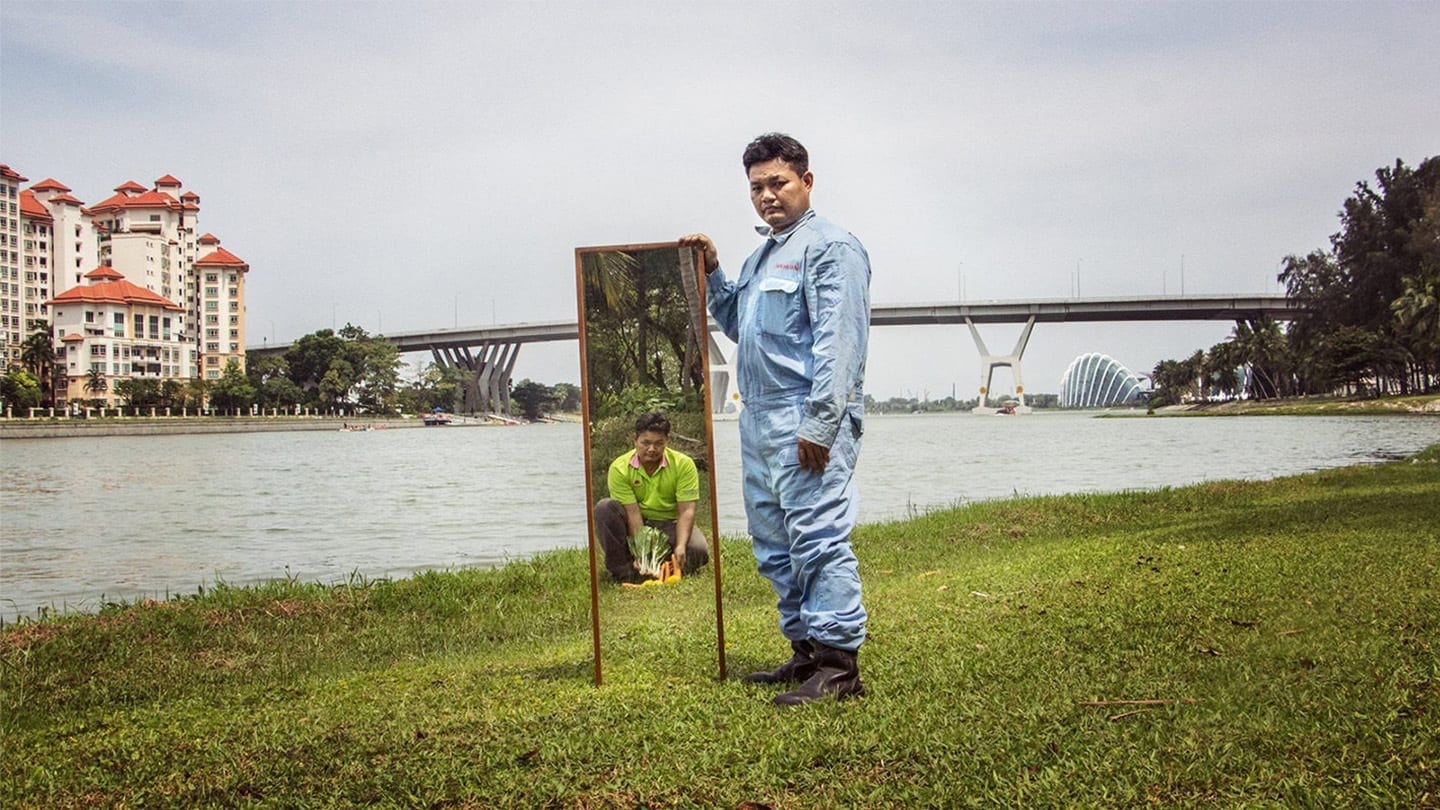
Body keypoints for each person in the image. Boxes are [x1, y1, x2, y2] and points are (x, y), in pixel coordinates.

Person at [680, 132, 870, 705]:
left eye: (778, 183)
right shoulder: (762, 254)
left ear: (806, 182)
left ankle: (839, 667)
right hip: (757, 419)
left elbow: (841, 343)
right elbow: (738, 323)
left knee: (816, 538)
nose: (767, 195)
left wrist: (820, 424)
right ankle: (806, 652)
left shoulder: (831, 248)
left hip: (804, 418)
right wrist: (711, 271)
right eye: (757, 186)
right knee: (774, 544)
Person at [593, 411, 710, 585]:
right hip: (638, 521)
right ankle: (624, 571)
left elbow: (686, 510)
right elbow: (632, 514)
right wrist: (642, 551)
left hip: (670, 523)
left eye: (658, 444)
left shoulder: (684, 464)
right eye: (645, 443)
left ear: (666, 441)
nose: (651, 449)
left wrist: (680, 545)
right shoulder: (619, 468)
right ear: (635, 439)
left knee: (699, 551)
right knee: (604, 508)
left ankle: (663, 567)